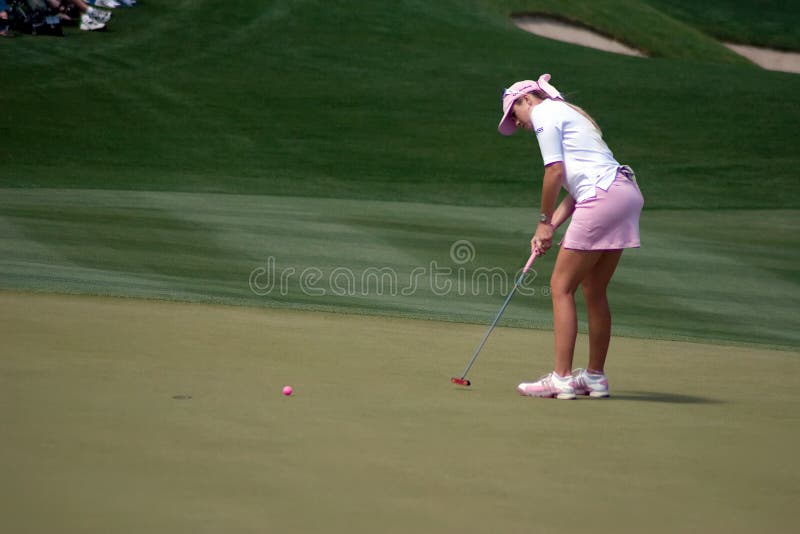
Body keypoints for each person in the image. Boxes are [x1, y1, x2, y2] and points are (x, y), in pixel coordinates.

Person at [497, 73, 644, 400]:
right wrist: (550, 228)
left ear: (527, 99)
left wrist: (543, 221)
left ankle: (561, 378)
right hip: (624, 194)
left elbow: (554, 172)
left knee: (561, 287)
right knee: (594, 288)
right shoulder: (567, 114)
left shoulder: (544, 114)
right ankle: (594, 377)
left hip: (603, 197)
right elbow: (577, 191)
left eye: (512, 113)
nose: (515, 123)